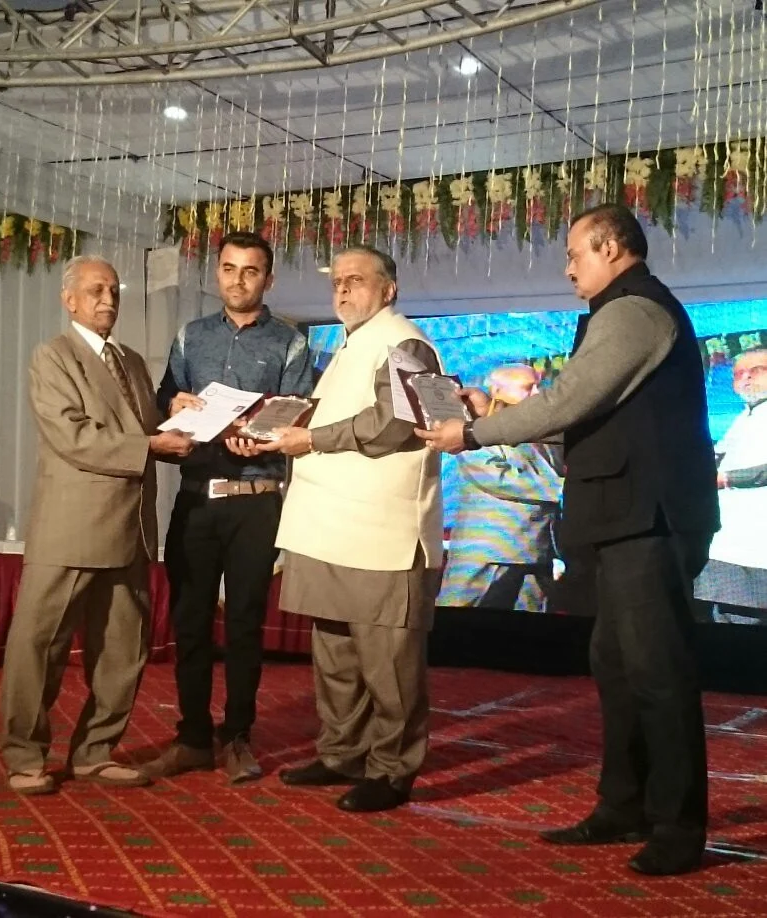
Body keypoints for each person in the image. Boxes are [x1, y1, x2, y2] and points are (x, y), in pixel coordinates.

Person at [418, 204, 719, 876]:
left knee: (657, 674)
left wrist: (471, 433)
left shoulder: (634, 310)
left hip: (649, 518)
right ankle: (624, 805)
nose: (567, 268)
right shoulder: (619, 311)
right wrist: (490, 411)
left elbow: (568, 402)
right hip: (623, 519)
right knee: (617, 666)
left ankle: (678, 826)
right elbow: (576, 412)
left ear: (611, 248)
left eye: (575, 254)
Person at [229, 245, 443, 811]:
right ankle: (342, 753)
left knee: (388, 663)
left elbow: (396, 424)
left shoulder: (404, 343)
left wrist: (311, 438)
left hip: (381, 533)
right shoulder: (351, 345)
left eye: (357, 280)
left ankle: (393, 770)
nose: (343, 289)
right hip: (328, 525)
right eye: (338, 282)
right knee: (336, 656)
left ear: (389, 290)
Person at [0, 255, 194, 795]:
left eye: (114, 291)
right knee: (39, 645)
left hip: (131, 526)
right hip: (72, 527)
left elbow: (146, 429)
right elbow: (73, 436)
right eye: (95, 291)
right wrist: (152, 443)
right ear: (69, 300)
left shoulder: (130, 360)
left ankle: (95, 753)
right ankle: (25, 755)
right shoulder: (52, 357)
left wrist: (182, 416)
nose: (108, 300)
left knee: (123, 649)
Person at [142, 231, 314, 785]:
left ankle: (238, 736)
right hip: (196, 499)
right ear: (217, 273)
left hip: (255, 502)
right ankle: (193, 737)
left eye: (251, 270)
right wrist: (173, 400)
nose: (238, 280)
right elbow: (163, 401)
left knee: (243, 626)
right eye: (229, 269)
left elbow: (298, 416)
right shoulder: (190, 336)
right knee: (189, 623)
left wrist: (258, 437)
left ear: (268, 279)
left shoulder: (291, 343)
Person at [436, 364, 563, 613]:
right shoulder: (474, 430)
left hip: (538, 549)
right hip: (488, 550)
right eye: (528, 387)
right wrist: (563, 488)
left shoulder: (546, 432)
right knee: (457, 624)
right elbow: (499, 476)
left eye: (539, 386)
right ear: (496, 390)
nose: (537, 393)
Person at [693, 347, 767, 623]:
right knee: (724, 623)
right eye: (739, 374)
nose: (746, 378)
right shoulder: (744, 417)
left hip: (756, 549)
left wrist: (726, 479)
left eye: (756, 371)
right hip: (728, 546)